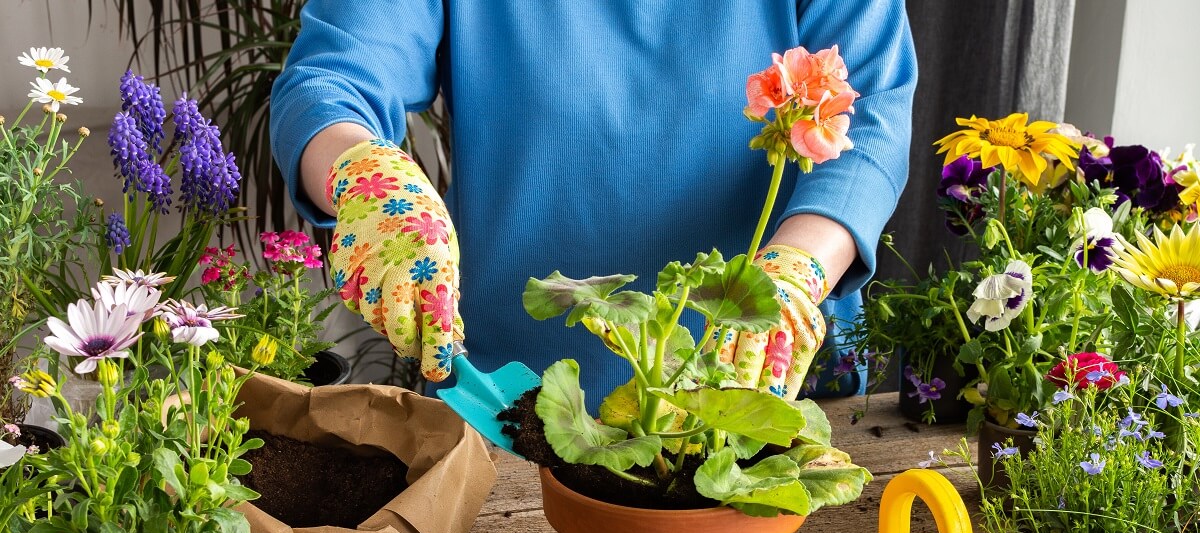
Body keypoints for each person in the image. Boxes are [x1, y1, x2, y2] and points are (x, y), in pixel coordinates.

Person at [270, 1, 916, 403]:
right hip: (517, 391)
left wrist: (801, 270)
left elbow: (869, 114)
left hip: (761, 374)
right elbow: (336, 77)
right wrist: (364, 174)